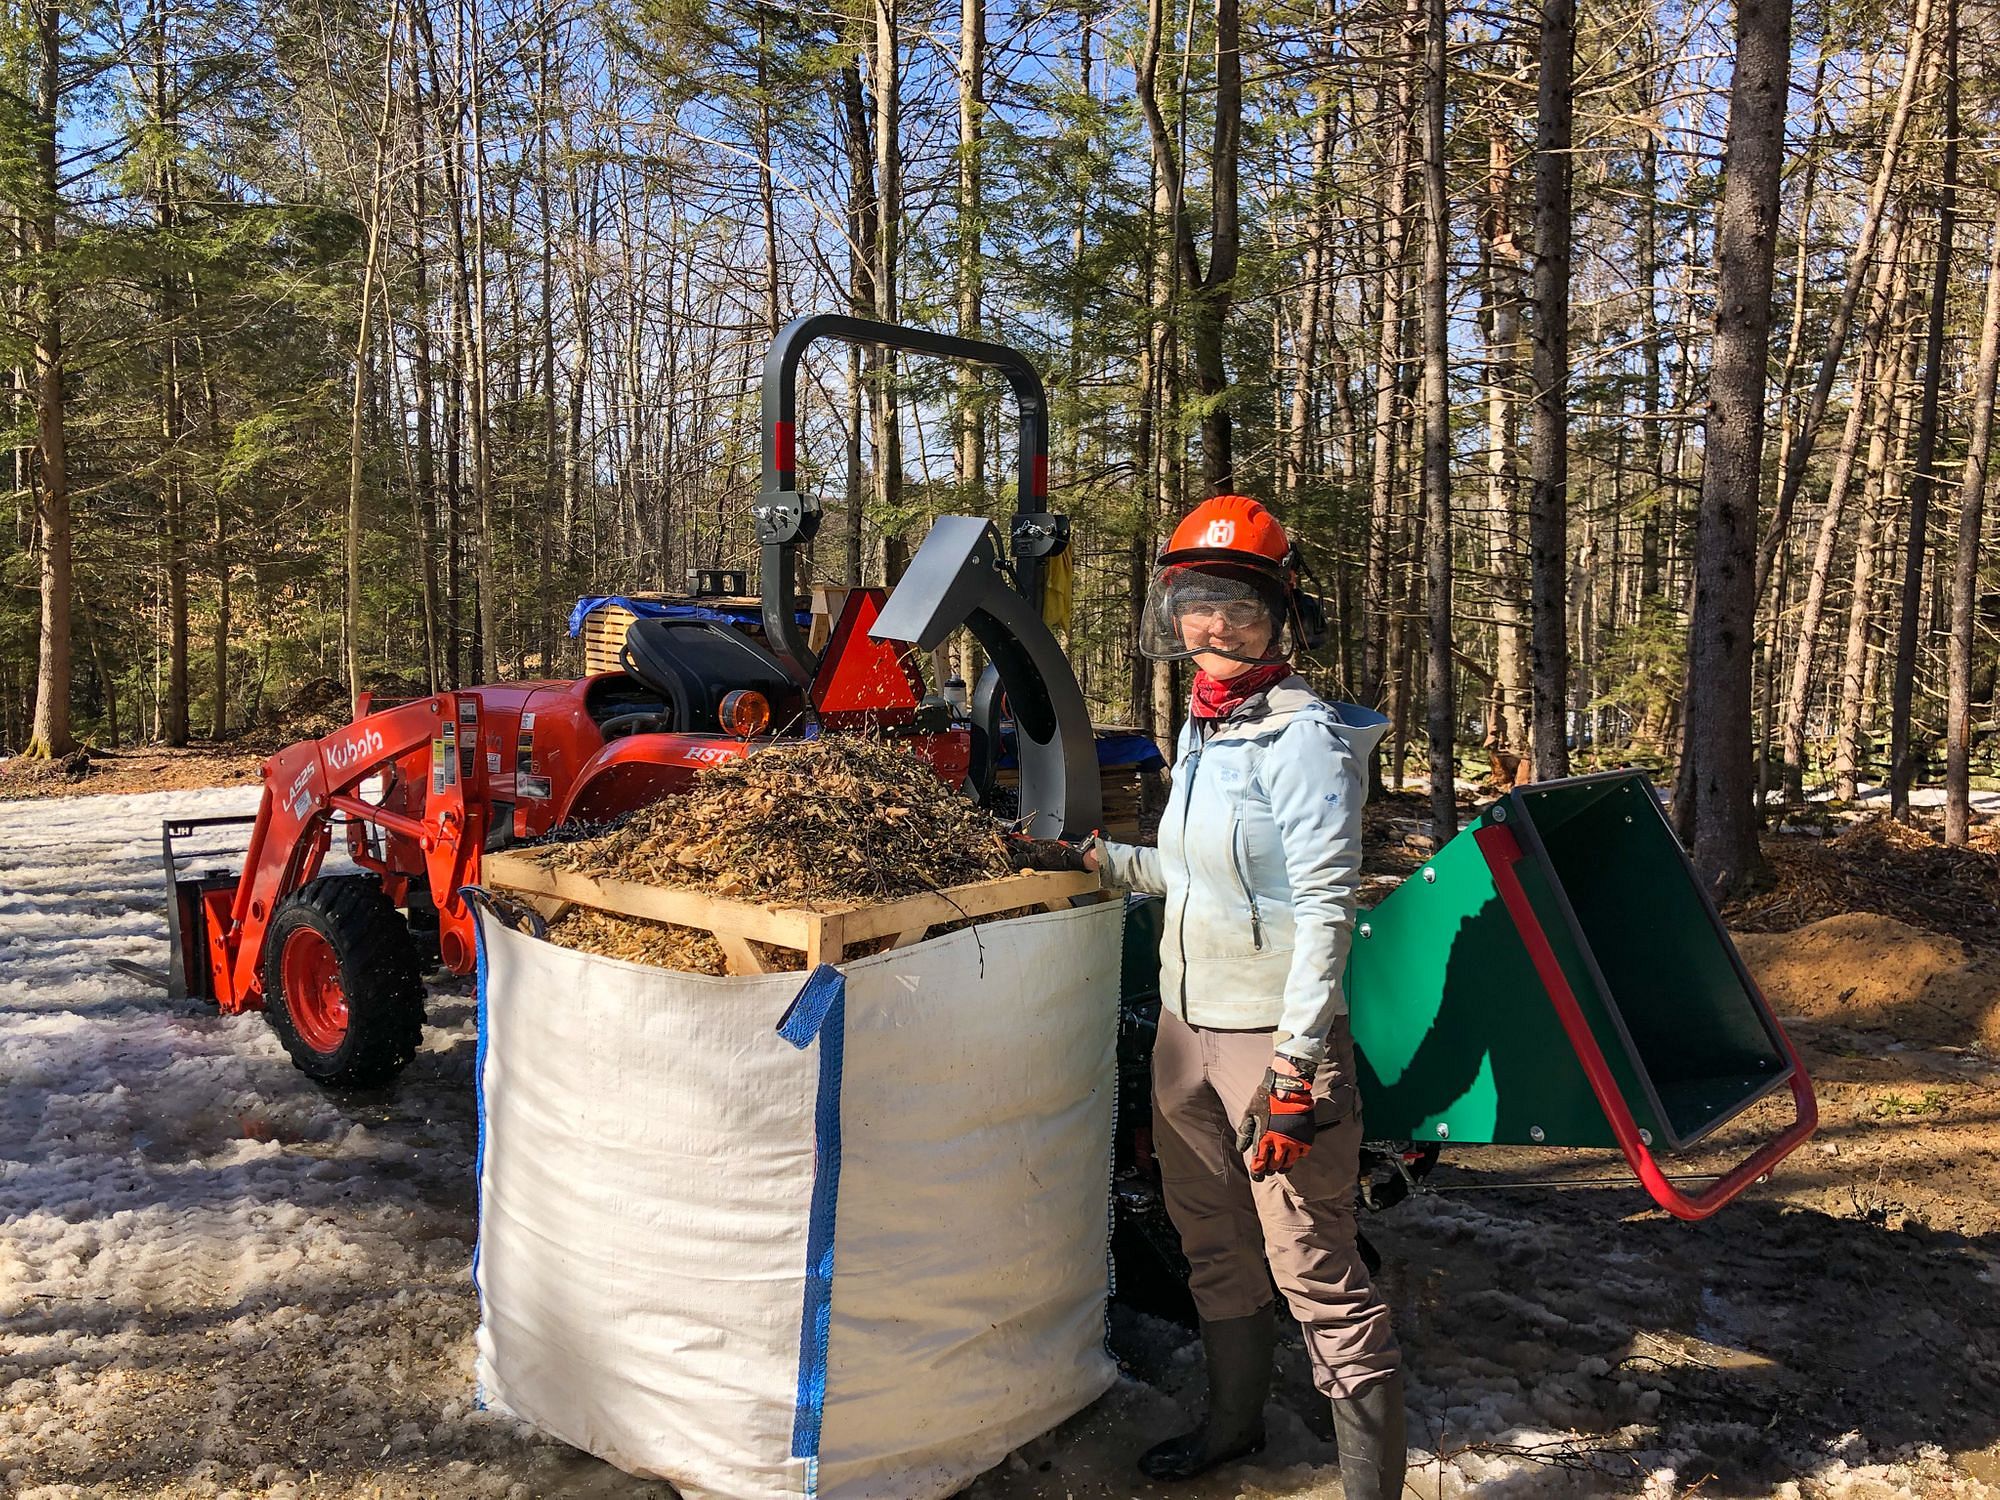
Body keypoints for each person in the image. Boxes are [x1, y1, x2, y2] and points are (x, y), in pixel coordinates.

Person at [1085, 494, 1404, 1496]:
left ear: (1278, 615)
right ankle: (1231, 1430)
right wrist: (1101, 861)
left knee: (1313, 1266)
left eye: (1235, 607)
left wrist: (1295, 1066)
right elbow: (1201, 876)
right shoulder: (1203, 730)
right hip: (1185, 1037)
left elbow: (1321, 908)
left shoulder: (1300, 737)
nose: (1211, 628)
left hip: (1271, 1044)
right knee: (1211, 1243)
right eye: (1194, 602)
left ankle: (1370, 1486)